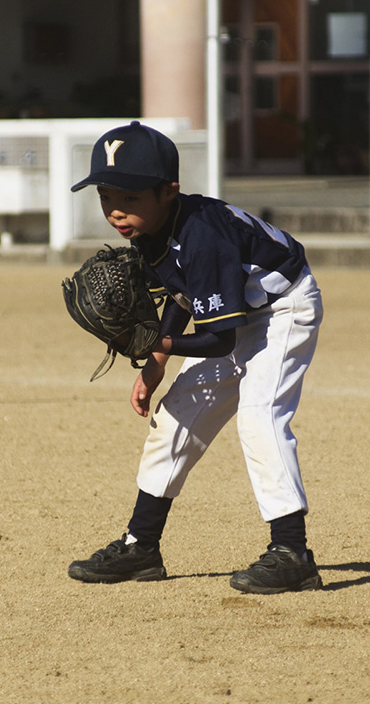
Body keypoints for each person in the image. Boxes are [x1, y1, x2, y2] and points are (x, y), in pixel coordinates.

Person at [66, 121, 324, 594]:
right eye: (106, 197)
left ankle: (293, 552)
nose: (117, 212)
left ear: (169, 191)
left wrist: (155, 345)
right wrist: (156, 365)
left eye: (131, 198)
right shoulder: (149, 230)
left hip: (283, 307)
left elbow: (220, 340)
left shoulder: (205, 236)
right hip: (237, 313)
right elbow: (184, 298)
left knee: (259, 415)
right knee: (176, 417)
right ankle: (141, 546)